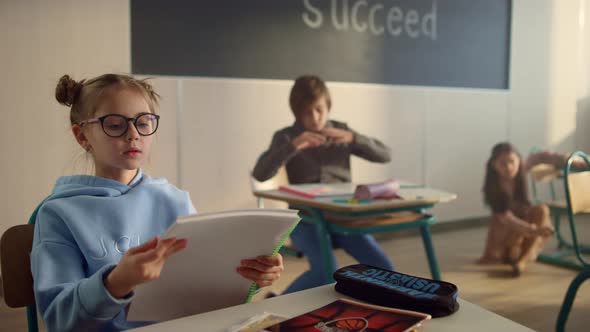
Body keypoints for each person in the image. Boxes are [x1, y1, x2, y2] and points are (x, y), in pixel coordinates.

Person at [31, 74, 283, 331]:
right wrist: (115, 283)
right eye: (115, 124)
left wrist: (249, 277)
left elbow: (203, 289)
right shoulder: (59, 214)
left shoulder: (174, 200)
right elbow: (59, 320)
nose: (133, 135)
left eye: (143, 122)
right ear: (82, 135)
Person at [252, 75, 394, 294]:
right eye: (307, 112)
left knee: (385, 270)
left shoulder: (341, 131)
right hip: (306, 220)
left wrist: (354, 138)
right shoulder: (286, 136)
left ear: (328, 106)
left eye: (319, 109)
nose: (315, 117)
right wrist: (293, 146)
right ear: (297, 113)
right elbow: (260, 174)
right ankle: (275, 305)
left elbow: (386, 155)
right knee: (326, 272)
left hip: (343, 217)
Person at [479, 142, 554, 276]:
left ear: (519, 160)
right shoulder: (492, 187)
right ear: (493, 165)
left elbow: (540, 157)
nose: (509, 167)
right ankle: (514, 255)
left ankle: (522, 261)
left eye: (512, 161)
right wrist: (534, 229)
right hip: (506, 233)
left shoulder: (521, 171)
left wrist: (570, 160)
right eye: (503, 163)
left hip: (523, 225)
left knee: (542, 210)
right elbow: (507, 219)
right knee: (531, 223)